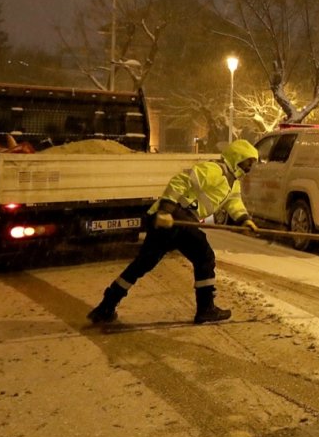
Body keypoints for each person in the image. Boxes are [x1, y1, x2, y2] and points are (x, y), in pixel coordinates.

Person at [87, 139, 260, 325]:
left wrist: (244, 220)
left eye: (253, 163)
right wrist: (165, 210)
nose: (250, 166)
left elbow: (233, 203)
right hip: (176, 215)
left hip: (178, 220)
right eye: (248, 161)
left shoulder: (233, 183)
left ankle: (106, 306)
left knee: (143, 264)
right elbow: (180, 181)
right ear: (237, 157)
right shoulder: (214, 170)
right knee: (204, 256)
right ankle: (206, 308)